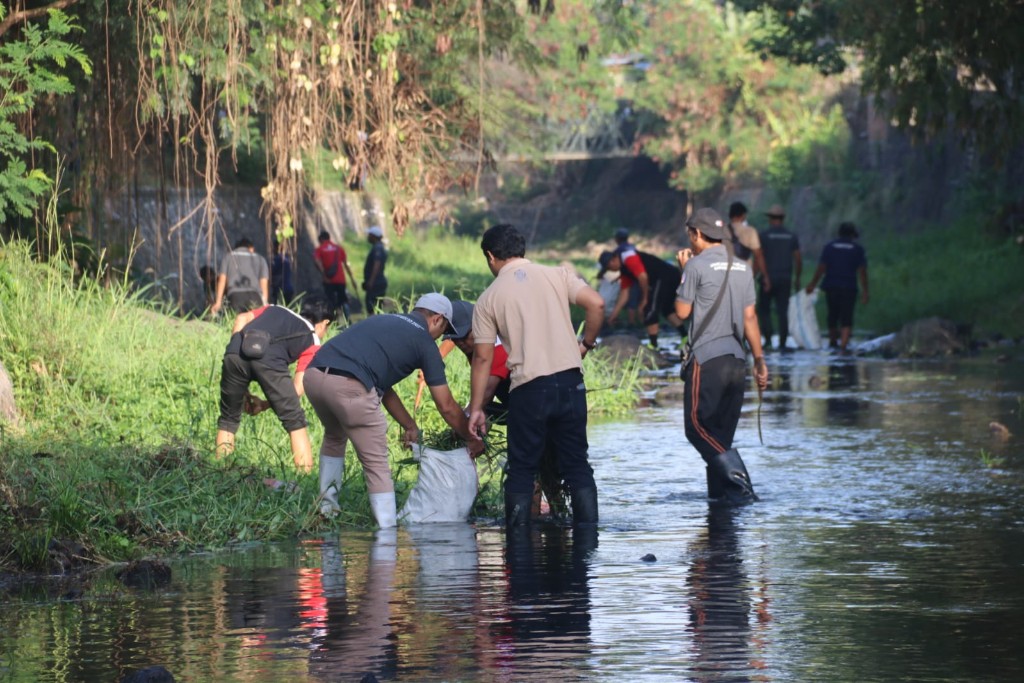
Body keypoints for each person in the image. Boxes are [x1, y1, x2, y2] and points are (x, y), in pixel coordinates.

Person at [304, 293, 485, 528]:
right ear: (437, 319)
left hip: (314, 376)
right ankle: (387, 530)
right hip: (349, 385)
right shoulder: (424, 342)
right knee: (376, 460)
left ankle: (327, 510)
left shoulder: (385, 321)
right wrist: (471, 438)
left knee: (334, 435)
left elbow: (382, 386)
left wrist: (409, 425)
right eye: (444, 330)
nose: (442, 337)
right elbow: (447, 406)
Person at [468, 224, 606, 528]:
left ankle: (518, 546)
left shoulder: (488, 298)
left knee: (522, 469)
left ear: (490, 257)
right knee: (577, 465)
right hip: (571, 383)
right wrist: (586, 344)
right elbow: (596, 303)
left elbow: (482, 357)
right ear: (522, 250)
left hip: (529, 389)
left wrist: (477, 408)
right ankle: (589, 539)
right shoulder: (558, 274)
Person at [675, 208, 769, 505]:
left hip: (707, 359)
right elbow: (750, 318)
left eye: (690, 235)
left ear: (698, 234)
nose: (690, 241)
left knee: (697, 428)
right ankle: (722, 501)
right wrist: (760, 361)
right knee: (720, 437)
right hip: (737, 360)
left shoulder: (695, 266)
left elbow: (681, 312)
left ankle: (742, 489)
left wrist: (683, 272)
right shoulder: (743, 266)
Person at [215, 295, 335, 474]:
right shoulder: (312, 339)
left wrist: (235, 347)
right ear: (324, 322)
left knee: (228, 419)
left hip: (234, 353)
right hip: (269, 360)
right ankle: (305, 478)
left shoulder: (275, 308)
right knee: (295, 421)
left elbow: (241, 318)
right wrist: (264, 405)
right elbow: (297, 389)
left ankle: (220, 473)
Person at [598, 247, 685, 349]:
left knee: (649, 309)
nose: (610, 270)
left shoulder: (628, 257)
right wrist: (614, 315)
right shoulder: (624, 271)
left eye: (609, 267)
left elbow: (642, 277)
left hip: (666, 276)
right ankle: (685, 336)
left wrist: (644, 299)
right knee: (667, 310)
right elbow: (624, 293)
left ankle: (653, 346)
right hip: (667, 277)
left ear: (613, 260)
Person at [805, 221, 869, 353]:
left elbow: (821, 268)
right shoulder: (857, 249)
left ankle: (833, 342)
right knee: (847, 316)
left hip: (831, 286)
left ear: (839, 233)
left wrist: (813, 284)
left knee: (832, 314)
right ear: (852, 234)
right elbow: (862, 271)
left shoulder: (829, 247)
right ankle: (843, 347)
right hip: (849, 287)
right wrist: (865, 291)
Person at [757, 204, 802, 351]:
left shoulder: (764, 235)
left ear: (770, 218)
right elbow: (798, 258)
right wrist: (797, 277)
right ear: (783, 219)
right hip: (785, 278)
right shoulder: (791, 236)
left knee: (764, 309)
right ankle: (783, 342)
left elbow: (759, 257)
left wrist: (758, 275)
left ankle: (768, 339)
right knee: (783, 310)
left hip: (768, 278)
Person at [211, 237, 270, 315]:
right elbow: (263, 282)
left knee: (237, 323)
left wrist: (218, 302)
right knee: (255, 325)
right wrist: (265, 302)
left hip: (235, 296)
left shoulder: (228, 257)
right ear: (251, 248)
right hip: (255, 296)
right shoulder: (260, 259)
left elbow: (222, 280)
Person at [314, 230, 359, 323]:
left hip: (328, 281)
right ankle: (348, 320)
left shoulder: (320, 249)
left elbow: (317, 262)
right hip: (340, 280)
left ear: (321, 239)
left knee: (330, 301)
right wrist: (352, 279)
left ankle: (333, 322)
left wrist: (323, 274)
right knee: (343, 300)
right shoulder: (339, 249)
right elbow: (346, 264)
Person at [727, 202, 770, 293]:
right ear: (743, 216)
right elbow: (758, 255)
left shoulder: (721, 231)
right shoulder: (750, 231)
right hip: (744, 275)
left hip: (725, 277)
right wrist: (765, 276)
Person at [362, 226, 388, 315]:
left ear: (374, 236)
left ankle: (375, 326)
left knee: (372, 308)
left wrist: (371, 282)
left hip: (376, 283)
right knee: (376, 307)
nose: (368, 237)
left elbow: (376, 265)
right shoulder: (379, 247)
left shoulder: (377, 248)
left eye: (369, 235)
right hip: (378, 281)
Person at [270, 239, 294, 305]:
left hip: (280, 290)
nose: (272, 250)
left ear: (277, 248)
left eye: (273, 247)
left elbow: (271, 272)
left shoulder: (278, 259)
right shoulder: (287, 258)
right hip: (288, 289)